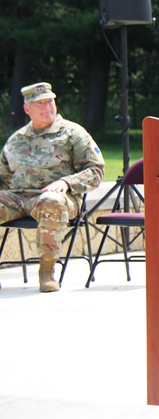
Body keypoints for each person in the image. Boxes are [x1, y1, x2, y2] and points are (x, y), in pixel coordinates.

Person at [0, 82, 105, 292]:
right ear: (27, 109)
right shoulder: (17, 140)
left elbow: (95, 171)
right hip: (19, 197)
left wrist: (66, 182)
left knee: (51, 201)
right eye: (40, 103)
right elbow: (3, 177)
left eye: (50, 101)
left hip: (59, 199)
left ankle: (47, 271)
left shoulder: (73, 134)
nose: (47, 107)